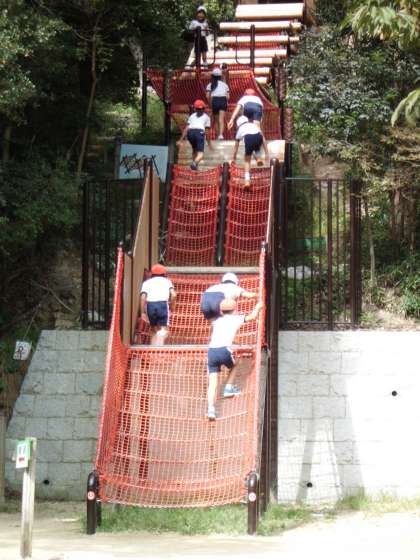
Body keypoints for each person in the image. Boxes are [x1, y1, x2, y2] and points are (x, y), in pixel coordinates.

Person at [206, 300, 263, 420]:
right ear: (234, 309)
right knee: (236, 364)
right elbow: (252, 317)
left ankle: (211, 409)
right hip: (224, 350)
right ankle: (228, 388)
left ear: (221, 311)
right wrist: (258, 307)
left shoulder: (216, 321)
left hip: (211, 351)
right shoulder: (236, 318)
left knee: (213, 382)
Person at [140, 264, 176, 346]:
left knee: (153, 330)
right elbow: (174, 295)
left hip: (150, 305)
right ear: (164, 273)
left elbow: (143, 297)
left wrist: (143, 312)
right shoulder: (167, 281)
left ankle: (153, 349)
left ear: (152, 274)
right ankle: (160, 344)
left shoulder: (146, 282)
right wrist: (172, 306)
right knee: (164, 330)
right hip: (162, 305)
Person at [231, 115, 269, 188]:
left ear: (238, 124)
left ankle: (247, 181)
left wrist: (233, 158)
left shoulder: (240, 129)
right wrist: (266, 153)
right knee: (255, 147)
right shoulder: (253, 125)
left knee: (247, 161)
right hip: (258, 137)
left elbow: (236, 146)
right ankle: (258, 158)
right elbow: (263, 138)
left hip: (248, 138)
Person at [177, 99, 213, 170]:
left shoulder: (192, 116)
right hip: (199, 133)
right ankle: (194, 163)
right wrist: (209, 143)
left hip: (190, 133)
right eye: (200, 109)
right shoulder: (207, 117)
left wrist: (181, 139)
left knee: (194, 150)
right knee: (200, 154)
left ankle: (194, 168)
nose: (200, 110)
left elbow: (186, 129)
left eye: (201, 109)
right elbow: (207, 132)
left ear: (195, 109)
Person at [206, 67, 230, 140]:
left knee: (216, 120)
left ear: (212, 76)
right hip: (223, 100)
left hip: (215, 100)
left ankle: (217, 135)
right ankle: (221, 135)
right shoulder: (225, 85)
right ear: (220, 76)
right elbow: (228, 97)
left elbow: (207, 96)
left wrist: (210, 104)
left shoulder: (210, 85)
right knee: (221, 119)